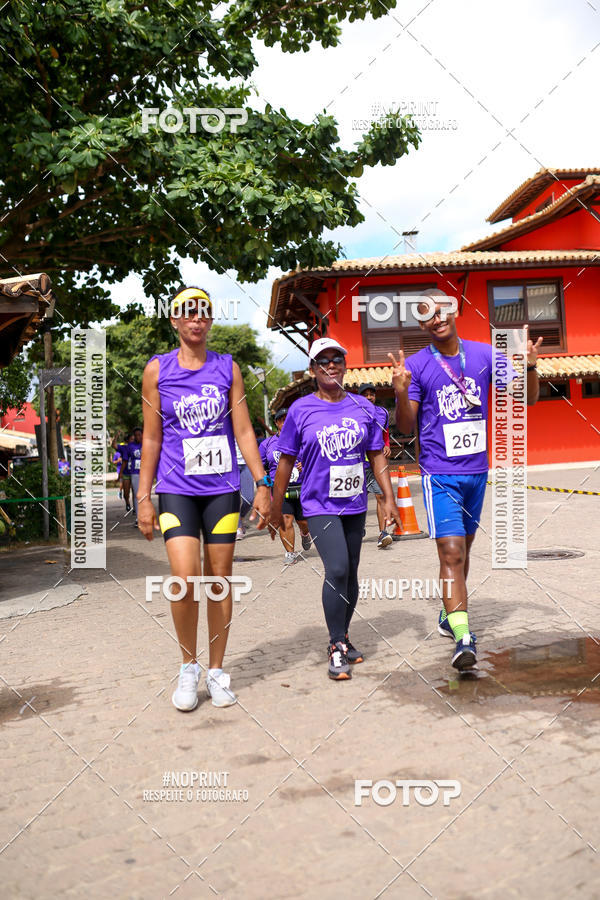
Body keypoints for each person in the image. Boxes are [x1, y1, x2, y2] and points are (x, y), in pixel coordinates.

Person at [389, 289, 542, 671]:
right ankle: (463, 637)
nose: (436, 318)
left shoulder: (484, 355)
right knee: (452, 553)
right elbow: (405, 427)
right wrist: (401, 393)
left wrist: (530, 368)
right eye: (427, 315)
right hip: (440, 474)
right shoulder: (418, 366)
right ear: (421, 324)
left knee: (465, 551)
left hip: (476, 473)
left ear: (453, 312)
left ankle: (449, 614)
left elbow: (527, 398)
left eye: (441, 310)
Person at [136, 286, 271, 711]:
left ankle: (216, 671)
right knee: (183, 578)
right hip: (176, 489)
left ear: (210, 321)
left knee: (219, 579)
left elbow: (244, 430)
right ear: (174, 320)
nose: (196, 319)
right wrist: (143, 496)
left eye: (203, 313)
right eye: (187, 312)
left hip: (221, 491)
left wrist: (262, 483)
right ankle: (187, 667)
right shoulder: (157, 370)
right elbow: (152, 438)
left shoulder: (227, 368)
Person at [269, 337, 401, 680]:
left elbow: (376, 456)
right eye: (323, 360)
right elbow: (285, 461)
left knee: (351, 572)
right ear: (313, 369)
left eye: (337, 359)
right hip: (318, 503)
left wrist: (388, 498)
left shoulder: (363, 407)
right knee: (338, 568)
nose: (331, 365)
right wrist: (275, 505)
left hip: (354, 503)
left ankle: (343, 635)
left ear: (344, 365)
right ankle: (335, 645)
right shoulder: (301, 410)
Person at [260, 407, 311, 565]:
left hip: (302, 486)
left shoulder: (304, 440)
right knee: (285, 520)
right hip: (280, 489)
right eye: (282, 420)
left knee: (303, 522)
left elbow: (316, 458)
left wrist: (305, 464)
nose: (285, 422)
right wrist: (264, 478)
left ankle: (305, 533)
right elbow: (260, 465)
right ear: (276, 423)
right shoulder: (267, 444)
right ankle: (290, 553)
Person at [357, 383, 393, 548]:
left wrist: (387, 445)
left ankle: (383, 533)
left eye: (372, 394)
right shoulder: (353, 413)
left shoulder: (383, 412)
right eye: (365, 394)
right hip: (357, 463)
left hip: (376, 463)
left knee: (380, 496)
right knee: (358, 500)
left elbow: (385, 433)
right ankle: (358, 528)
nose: (369, 397)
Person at [128, 427, 143, 526]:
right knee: (137, 495)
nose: (137, 437)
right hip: (135, 473)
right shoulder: (131, 446)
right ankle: (138, 518)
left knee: (145, 495)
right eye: (136, 435)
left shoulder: (147, 443)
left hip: (145, 473)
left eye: (139, 435)